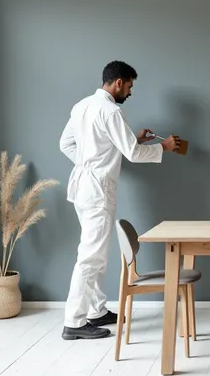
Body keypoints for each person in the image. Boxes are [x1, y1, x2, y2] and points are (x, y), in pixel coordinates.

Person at [58, 60, 180, 340]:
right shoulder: (111, 111)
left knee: (97, 251)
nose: (130, 92)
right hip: (98, 190)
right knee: (91, 255)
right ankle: (74, 321)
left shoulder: (82, 106)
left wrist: (93, 160)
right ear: (118, 83)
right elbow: (133, 154)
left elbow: (67, 144)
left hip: (82, 186)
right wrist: (163, 146)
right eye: (129, 86)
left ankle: (96, 311)